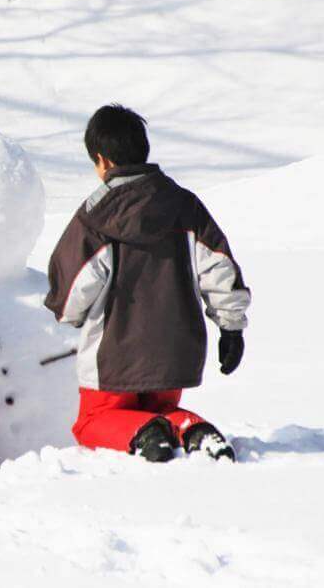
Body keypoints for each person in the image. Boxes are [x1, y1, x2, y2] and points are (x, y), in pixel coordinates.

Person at [45, 104, 251, 462]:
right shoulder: (185, 206)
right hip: (176, 349)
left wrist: (66, 312)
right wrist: (231, 328)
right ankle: (193, 429)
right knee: (160, 409)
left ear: (103, 161)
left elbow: (74, 289)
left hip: (115, 354)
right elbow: (219, 268)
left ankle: (144, 434)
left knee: (92, 421)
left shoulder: (96, 217)